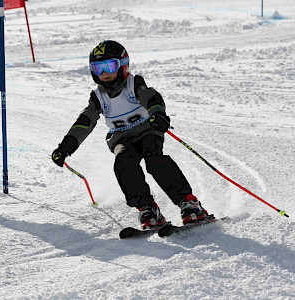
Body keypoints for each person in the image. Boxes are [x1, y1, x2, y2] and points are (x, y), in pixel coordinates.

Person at [52, 40, 213, 230]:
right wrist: (65, 148)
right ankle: (147, 208)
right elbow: (84, 122)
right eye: (98, 68)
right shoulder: (98, 97)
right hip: (121, 139)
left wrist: (158, 114)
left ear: (123, 65)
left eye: (109, 66)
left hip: (147, 131)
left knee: (155, 161)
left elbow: (152, 98)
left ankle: (188, 203)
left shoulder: (134, 84)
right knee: (123, 163)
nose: (104, 74)